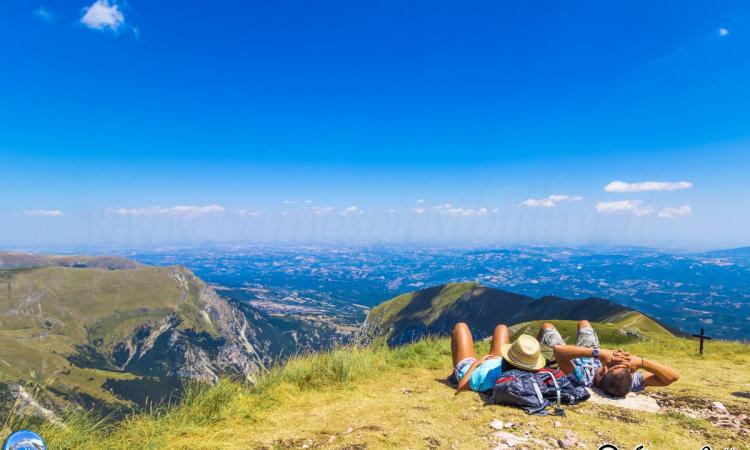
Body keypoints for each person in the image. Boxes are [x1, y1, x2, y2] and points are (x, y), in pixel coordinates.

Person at [537, 320, 680, 397]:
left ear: (605, 369)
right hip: (592, 353)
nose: (619, 359)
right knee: (584, 323)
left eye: (617, 364)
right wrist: (642, 362)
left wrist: (600, 354)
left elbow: (559, 351)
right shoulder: (627, 383)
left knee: (547, 326)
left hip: (576, 355)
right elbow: (672, 377)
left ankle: (534, 350)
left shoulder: (582, 378)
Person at [451, 322, 546, 394]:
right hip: (500, 362)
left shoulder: (487, 377)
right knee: (502, 328)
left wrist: (475, 364)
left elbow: (461, 386)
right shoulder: (529, 376)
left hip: (470, 369)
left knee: (460, 327)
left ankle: (453, 376)